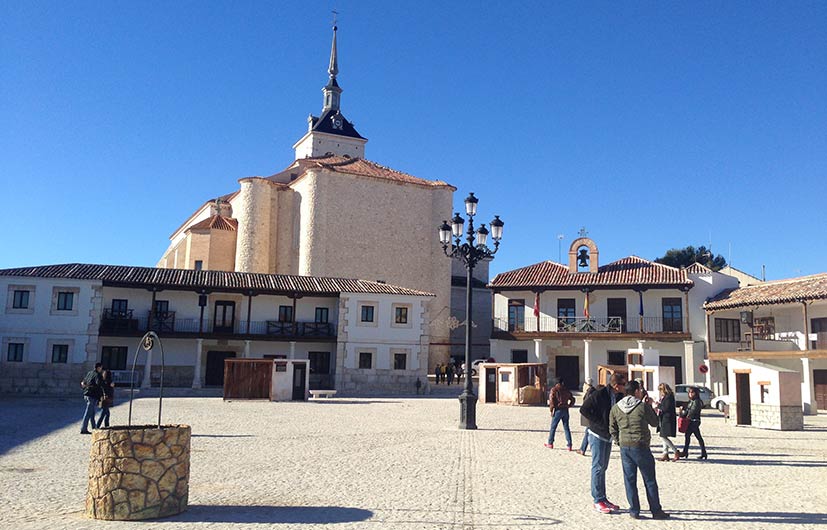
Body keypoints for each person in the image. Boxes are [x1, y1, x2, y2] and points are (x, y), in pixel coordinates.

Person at [609, 379, 670, 520]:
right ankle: (656, 510)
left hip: (625, 446)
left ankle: (634, 510)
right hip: (641, 445)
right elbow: (655, 422)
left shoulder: (616, 407)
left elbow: (612, 428)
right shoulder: (642, 406)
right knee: (649, 479)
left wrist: (619, 441)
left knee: (629, 480)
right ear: (636, 391)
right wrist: (649, 406)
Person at [580, 372, 626, 514]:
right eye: (624, 384)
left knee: (603, 467)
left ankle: (603, 498)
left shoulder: (618, 396)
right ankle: (597, 499)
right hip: (597, 434)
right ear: (616, 386)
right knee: (598, 467)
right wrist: (599, 423)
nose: (625, 387)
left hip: (608, 436)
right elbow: (584, 409)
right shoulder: (600, 394)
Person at [545, 377, 575, 450]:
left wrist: (551, 410)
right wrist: (569, 405)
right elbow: (573, 399)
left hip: (558, 410)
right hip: (565, 409)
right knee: (566, 427)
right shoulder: (566, 389)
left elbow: (551, 401)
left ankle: (550, 443)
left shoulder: (554, 390)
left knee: (553, 427)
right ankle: (569, 444)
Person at [680, 386, 708, 460]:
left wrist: (686, 414)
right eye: (689, 392)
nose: (690, 394)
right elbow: (688, 410)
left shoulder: (697, 401)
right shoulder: (691, 401)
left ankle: (685, 452)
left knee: (689, 436)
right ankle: (703, 452)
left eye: (692, 392)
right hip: (691, 421)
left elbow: (693, 411)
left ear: (696, 393)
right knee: (696, 437)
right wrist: (683, 413)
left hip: (694, 421)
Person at [656, 383, 679, 461]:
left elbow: (666, 408)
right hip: (664, 418)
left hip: (667, 419)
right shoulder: (666, 396)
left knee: (663, 436)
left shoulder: (669, 397)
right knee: (663, 435)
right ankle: (665, 453)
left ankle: (675, 451)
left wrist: (657, 405)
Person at [80, 363, 104, 434]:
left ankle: (94, 427)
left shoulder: (89, 373)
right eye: (101, 368)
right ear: (98, 368)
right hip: (92, 395)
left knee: (92, 412)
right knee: (88, 413)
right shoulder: (98, 375)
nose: (101, 369)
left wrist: (85, 385)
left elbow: (83, 381)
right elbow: (98, 384)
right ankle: (83, 428)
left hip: (86, 394)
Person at [576, 378, 596, 456]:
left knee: (588, 432)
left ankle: (583, 449)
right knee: (588, 432)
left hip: (589, 415)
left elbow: (587, 404)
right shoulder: (590, 391)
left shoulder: (590, 392)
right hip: (590, 415)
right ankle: (583, 448)